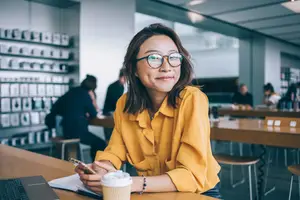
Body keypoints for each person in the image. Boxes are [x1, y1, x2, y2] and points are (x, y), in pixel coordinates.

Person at [75, 24, 221, 198]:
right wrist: (100, 169)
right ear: (133, 69)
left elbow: (190, 175)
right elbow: (114, 151)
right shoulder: (125, 103)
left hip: (197, 193)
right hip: (151, 192)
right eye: (154, 58)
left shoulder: (192, 99)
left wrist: (128, 183)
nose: (167, 67)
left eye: (173, 57)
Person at [46, 75, 106, 159]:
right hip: (77, 132)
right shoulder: (85, 95)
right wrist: (93, 100)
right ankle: (95, 167)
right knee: (101, 143)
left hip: (66, 131)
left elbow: (55, 107)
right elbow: (94, 114)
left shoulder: (71, 92)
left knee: (94, 142)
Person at [102, 69, 126, 142]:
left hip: (112, 113)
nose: (126, 81)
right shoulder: (114, 86)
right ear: (120, 76)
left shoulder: (120, 86)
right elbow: (115, 102)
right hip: (109, 114)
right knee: (110, 139)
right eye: (125, 78)